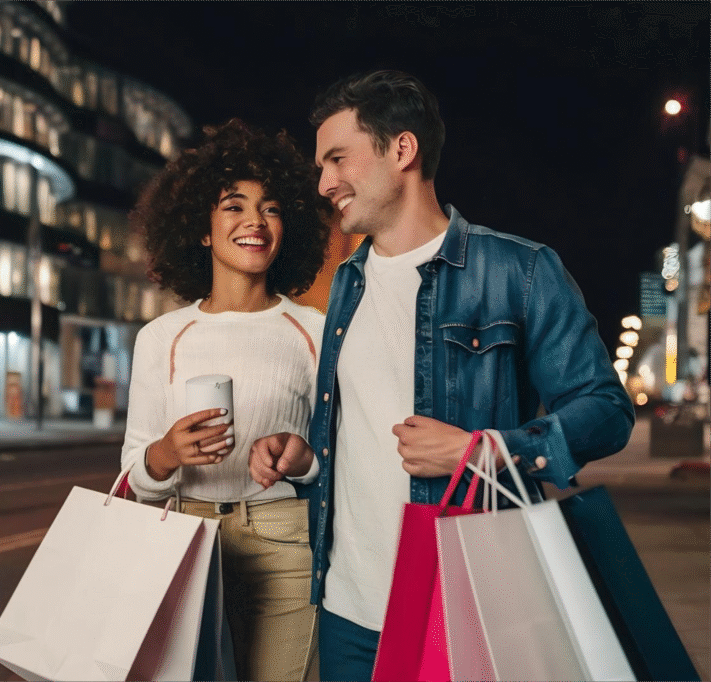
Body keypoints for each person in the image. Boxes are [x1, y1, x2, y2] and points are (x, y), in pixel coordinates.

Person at [248, 70, 635, 680]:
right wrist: (308, 458)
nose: (323, 183)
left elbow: (606, 411)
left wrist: (485, 451)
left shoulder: (520, 270)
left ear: (402, 149)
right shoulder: (347, 284)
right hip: (347, 609)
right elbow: (365, 431)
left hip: (463, 597)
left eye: (337, 159)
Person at [121, 119, 330, 681]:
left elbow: (344, 459)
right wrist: (166, 453)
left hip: (285, 549)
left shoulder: (314, 329)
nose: (255, 222)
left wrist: (302, 458)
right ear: (203, 229)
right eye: (234, 207)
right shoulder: (161, 337)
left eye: (272, 208)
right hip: (185, 543)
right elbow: (134, 474)